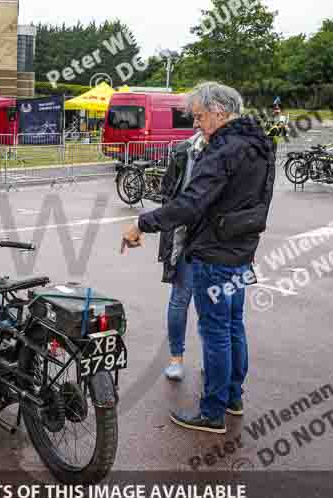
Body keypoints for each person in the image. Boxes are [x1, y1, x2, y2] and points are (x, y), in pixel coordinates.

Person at [121, 82, 275, 434]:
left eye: (200, 117)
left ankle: (212, 411)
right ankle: (233, 398)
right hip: (240, 249)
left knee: (215, 332)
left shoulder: (221, 150)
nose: (197, 125)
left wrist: (142, 224)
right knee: (234, 325)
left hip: (214, 253)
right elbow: (261, 200)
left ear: (220, 112)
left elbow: (190, 204)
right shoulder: (261, 143)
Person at [158, 130, 207, 381]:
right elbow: (168, 190)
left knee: (212, 305)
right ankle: (176, 358)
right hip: (184, 237)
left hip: (215, 242)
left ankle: (212, 359)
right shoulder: (184, 150)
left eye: (200, 115)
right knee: (180, 298)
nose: (196, 121)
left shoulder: (232, 151)